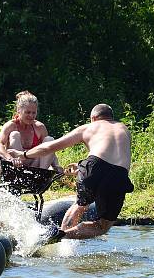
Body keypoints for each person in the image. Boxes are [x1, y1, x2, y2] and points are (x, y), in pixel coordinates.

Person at [8, 103, 133, 240]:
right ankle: (63, 236)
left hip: (95, 166)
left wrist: (24, 155)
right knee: (103, 226)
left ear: (93, 118)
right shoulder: (124, 129)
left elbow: (50, 147)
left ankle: (57, 238)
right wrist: (82, 168)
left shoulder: (90, 127)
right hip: (120, 175)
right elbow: (112, 161)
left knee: (79, 207)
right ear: (111, 117)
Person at [0, 91, 62, 172]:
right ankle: (17, 172)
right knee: (14, 134)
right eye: (28, 112)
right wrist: (9, 158)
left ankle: (42, 174)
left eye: (34, 113)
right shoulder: (11, 125)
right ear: (19, 110)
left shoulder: (39, 127)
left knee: (49, 139)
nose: (31, 116)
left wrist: (56, 166)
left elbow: (49, 149)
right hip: (16, 164)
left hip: (35, 166)